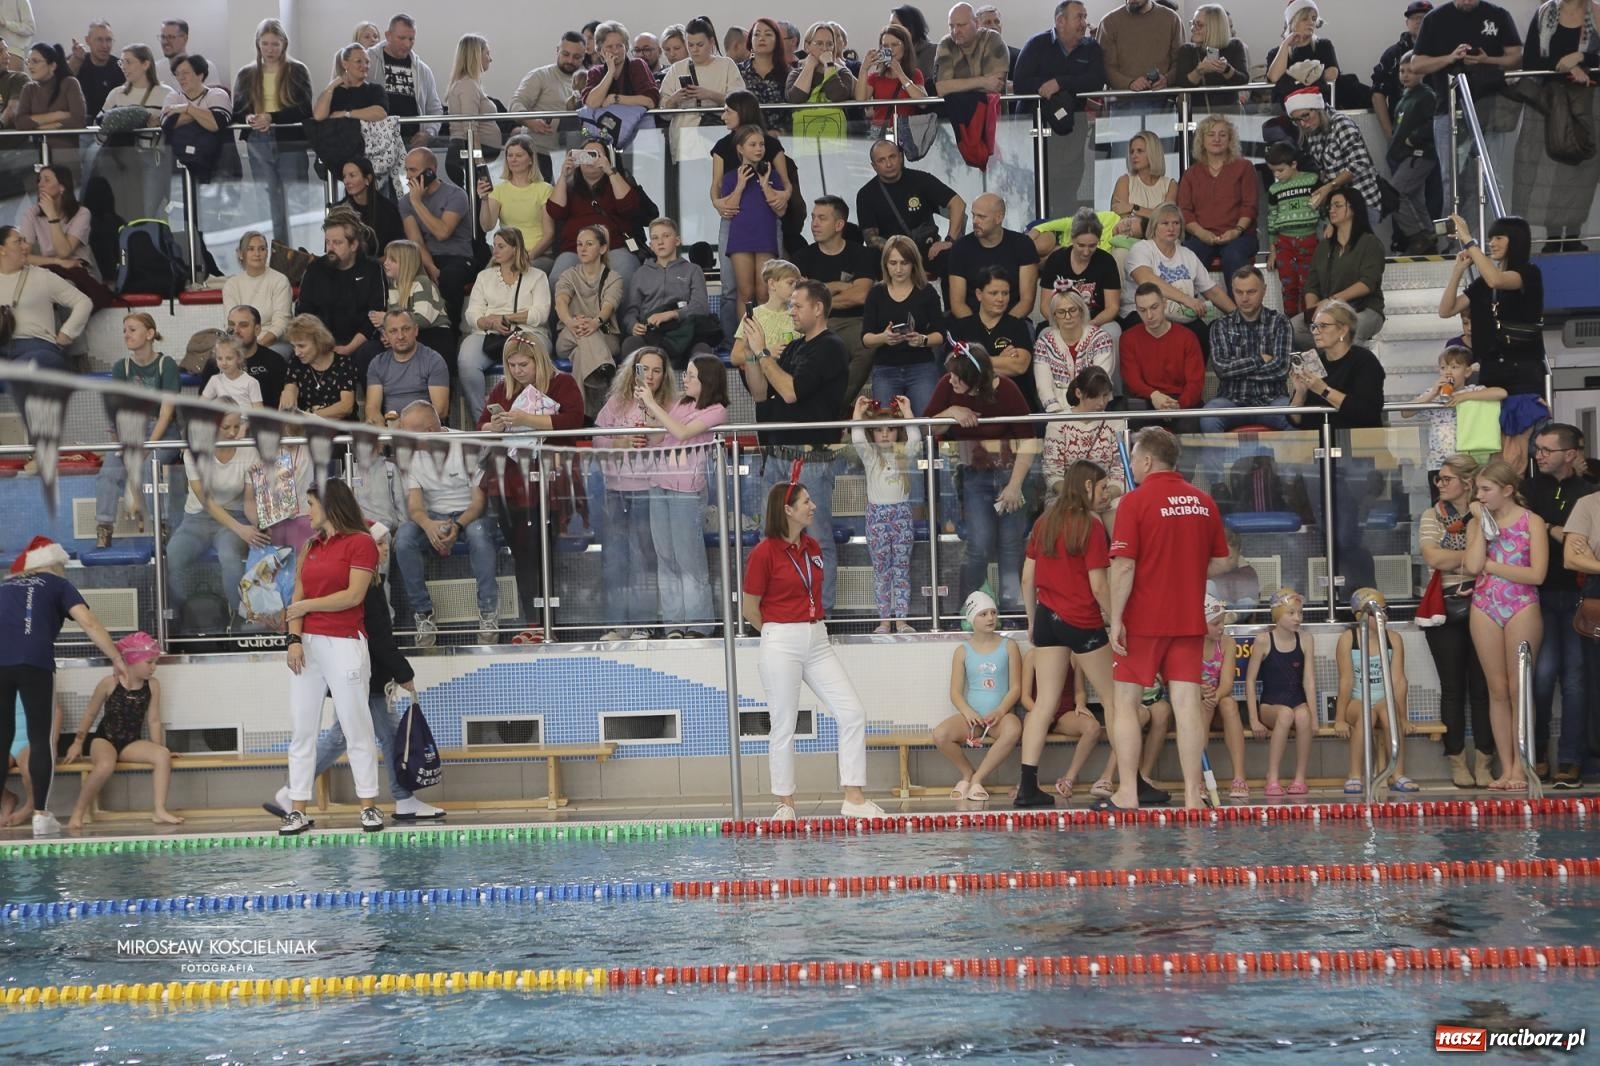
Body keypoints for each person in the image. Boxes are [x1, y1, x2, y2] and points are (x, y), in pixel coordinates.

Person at [266, 523, 444, 822]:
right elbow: (379, 638)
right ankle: (399, 800)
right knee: (373, 734)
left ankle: (401, 799)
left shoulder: (372, 584)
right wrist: (403, 673)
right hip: (364, 674)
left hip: (360, 672)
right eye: (381, 545)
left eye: (387, 545)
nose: (385, 550)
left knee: (354, 735)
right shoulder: (368, 589)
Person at [743, 476, 884, 821]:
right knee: (784, 724)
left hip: (817, 637)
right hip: (781, 639)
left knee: (851, 712)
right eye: (806, 502)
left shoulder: (813, 548)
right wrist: (777, 636)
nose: (813, 506)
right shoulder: (764, 553)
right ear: (787, 510)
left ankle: (853, 796)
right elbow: (750, 608)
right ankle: (784, 803)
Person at [1104, 426, 1229, 812]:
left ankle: (1127, 791)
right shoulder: (1203, 502)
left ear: (1145, 460)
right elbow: (1223, 561)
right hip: (1188, 618)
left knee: (1125, 703)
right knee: (1187, 703)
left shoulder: (1134, 502)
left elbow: (1123, 567)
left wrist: (1116, 619)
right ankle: (1194, 794)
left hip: (1142, 619)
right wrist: (1186, 570)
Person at [0, 535, 128, 837]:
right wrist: (116, 658)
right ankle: (41, 815)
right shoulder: (58, 585)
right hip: (35, 663)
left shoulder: (4, 587)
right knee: (40, 737)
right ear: (55, 564)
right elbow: (90, 623)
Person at [280, 481, 384, 836]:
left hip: (344, 642)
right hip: (307, 646)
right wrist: (293, 639)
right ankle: (297, 809)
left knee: (356, 725)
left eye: (311, 504)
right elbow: (297, 594)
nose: (307, 511)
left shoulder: (362, 543)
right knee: (302, 728)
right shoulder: (309, 546)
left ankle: (368, 806)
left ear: (329, 505)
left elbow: (353, 596)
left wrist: (306, 607)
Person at [740, 279, 850, 610]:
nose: (791, 312)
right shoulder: (797, 346)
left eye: (797, 306)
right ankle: (777, 608)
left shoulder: (830, 347)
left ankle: (820, 612)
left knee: (815, 539)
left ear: (818, 308)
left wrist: (762, 352)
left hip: (810, 460)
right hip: (776, 456)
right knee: (770, 539)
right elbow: (761, 393)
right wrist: (751, 353)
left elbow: (791, 391)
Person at [1013, 459, 1118, 807]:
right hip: (1082, 620)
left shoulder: (1045, 521)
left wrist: (1032, 620)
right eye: (1102, 488)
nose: (1106, 494)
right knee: (1114, 700)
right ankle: (1130, 780)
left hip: (1047, 619)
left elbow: (1027, 577)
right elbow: (1099, 585)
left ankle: (1027, 787)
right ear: (1087, 487)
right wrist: (1117, 619)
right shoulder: (1090, 524)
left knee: (1043, 705)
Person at [476, 334, 584, 636]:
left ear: (539, 361)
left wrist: (527, 419)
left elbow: (574, 421)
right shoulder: (502, 388)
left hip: (549, 480)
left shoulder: (563, 384)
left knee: (543, 553)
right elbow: (481, 425)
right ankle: (533, 623)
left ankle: (550, 623)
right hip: (510, 483)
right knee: (522, 555)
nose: (517, 370)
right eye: (511, 365)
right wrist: (493, 426)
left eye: (523, 364)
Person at [926, 343, 1036, 615]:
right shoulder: (948, 386)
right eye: (950, 375)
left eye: (957, 377)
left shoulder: (1007, 390)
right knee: (979, 542)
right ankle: (971, 608)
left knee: (1011, 543)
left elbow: (1029, 440)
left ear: (975, 381)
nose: (951, 380)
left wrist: (1015, 484)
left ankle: (1013, 607)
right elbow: (926, 426)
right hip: (973, 475)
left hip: (1010, 471)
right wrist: (950, 412)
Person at [1439, 213, 1548, 472]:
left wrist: (1468, 239)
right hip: (1491, 370)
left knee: (1515, 456)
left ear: (1516, 240)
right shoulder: (1482, 284)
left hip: (1522, 372)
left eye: (1499, 237)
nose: (1492, 244)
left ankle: (1516, 507)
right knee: (1494, 452)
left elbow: (1498, 279)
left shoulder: (1529, 273)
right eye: (1490, 239)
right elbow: (1447, 309)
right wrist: (1457, 270)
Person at [1466, 458, 1548, 792]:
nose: (1479, 495)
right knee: (1496, 690)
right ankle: (1506, 767)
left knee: (1518, 689)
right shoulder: (1479, 522)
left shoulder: (1533, 522)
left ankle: (1521, 766)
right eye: (1477, 489)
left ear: (1508, 490)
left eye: (1485, 489)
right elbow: (1473, 566)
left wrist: (1493, 566)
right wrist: (1481, 524)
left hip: (1521, 604)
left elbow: (1536, 575)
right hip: (1485, 605)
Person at [638, 353, 730, 639]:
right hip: (659, 483)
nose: (685, 380)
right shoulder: (680, 402)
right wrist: (647, 411)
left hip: (687, 491)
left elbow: (681, 432)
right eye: (686, 374)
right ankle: (674, 624)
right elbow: (660, 437)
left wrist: (654, 405)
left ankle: (699, 624)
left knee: (689, 559)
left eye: (691, 375)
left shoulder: (716, 410)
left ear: (707, 380)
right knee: (666, 558)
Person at [394, 402, 500, 647]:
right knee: (404, 539)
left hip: (470, 515)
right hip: (432, 514)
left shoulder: (466, 446)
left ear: (430, 431)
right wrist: (428, 524)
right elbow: (416, 507)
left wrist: (458, 526)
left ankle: (488, 613)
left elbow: (478, 504)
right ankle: (423, 614)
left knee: (479, 534)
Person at [1419, 453, 1494, 787]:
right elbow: (1433, 557)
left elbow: (1498, 554)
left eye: (1446, 479)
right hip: (1445, 608)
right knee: (1452, 689)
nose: (1440, 484)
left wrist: (1465, 560)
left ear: (1468, 483)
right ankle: (1456, 758)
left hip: (1485, 605)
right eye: (1439, 478)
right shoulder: (1431, 515)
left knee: (1484, 689)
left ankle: (1484, 758)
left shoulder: (1485, 513)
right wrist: (1475, 559)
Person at [1411, 0, 1524, 218]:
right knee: (1451, 180)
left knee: (1490, 178)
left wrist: (1486, 60)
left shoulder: (1498, 14)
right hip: (1448, 109)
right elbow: (1417, 64)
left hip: (1490, 108)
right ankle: (1457, 243)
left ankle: (1492, 241)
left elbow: (1517, 56)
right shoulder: (1435, 19)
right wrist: (1450, 58)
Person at [1526, 423, 1594, 782]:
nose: (1539, 455)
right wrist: (1556, 530)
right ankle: (1537, 751)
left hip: (1579, 595)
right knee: (1541, 675)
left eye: (1546, 450)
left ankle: (1571, 758)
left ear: (1569, 455)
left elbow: (1582, 545)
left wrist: (1554, 530)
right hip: (1539, 593)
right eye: (1537, 448)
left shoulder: (1589, 491)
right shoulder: (1529, 487)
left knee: (1575, 679)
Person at [593, 349, 674, 640]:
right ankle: (617, 625)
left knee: (644, 559)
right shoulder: (617, 403)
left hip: (648, 490)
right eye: (645, 369)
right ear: (633, 371)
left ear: (664, 375)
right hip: (615, 490)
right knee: (614, 559)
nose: (650, 376)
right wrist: (622, 441)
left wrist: (652, 436)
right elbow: (597, 440)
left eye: (656, 370)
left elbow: (676, 439)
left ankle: (644, 624)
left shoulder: (669, 403)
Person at [1514, 0, 1600, 252]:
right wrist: (1567, 66)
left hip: (1589, 104)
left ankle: (1573, 237)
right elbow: (1530, 62)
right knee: (1547, 172)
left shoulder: (1596, 13)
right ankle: (1552, 238)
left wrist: (1583, 57)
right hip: (1549, 105)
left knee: (1581, 171)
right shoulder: (1544, 13)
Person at [166, 405, 261, 627]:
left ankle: (241, 619)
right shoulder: (194, 452)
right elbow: (206, 501)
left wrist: (262, 528)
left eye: (237, 426)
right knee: (171, 558)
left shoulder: (249, 450)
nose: (232, 433)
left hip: (235, 517)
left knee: (230, 557)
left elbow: (248, 501)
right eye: (226, 427)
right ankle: (176, 619)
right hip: (196, 520)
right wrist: (241, 530)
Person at [95, 313, 180, 546]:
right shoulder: (121, 367)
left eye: (132, 329)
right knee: (109, 471)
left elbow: (166, 413)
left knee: (147, 468)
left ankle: (161, 526)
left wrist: (147, 445)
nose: (126, 335)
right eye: (124, 330)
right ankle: (104, 528)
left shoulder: (166, 364)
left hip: (162, 431)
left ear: (150, 333)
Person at [1013, 1, 1105, 214]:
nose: (1084, 23)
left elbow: (1095, 81)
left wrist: (1060, 83)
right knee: (1034, 186)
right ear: (1060, 21)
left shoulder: (1091, 48)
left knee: (1068, 187)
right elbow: (1020, 82)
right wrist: (1046, 87)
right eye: (1079, 17)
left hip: (1071, 129)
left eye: (1085, 16)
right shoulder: (1037, 44)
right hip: (1035, 130)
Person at [932, 589, 1023, 801]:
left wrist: (1000, 711)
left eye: (993, 612)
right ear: (972, 619)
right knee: (940, 735)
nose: (990, 618)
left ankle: (977, 780)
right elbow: (955, 692)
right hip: (971, 718)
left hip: (999, 717)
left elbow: (1016, 688)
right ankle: (967, 773)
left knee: (1014, 729)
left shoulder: (1009, 646)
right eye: (983, 614)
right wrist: (967, 712)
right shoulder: (962, 651)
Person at [793, 196, 881, 409]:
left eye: (822, 218)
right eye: (813, 218)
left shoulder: (862, 254)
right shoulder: (802, 257)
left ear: (839, 224)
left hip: (854, 322)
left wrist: (819, 293)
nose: (814, 224)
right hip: (813, 324)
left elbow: (860, 295)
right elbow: (798, 298)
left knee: (867, 345)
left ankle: (834, 405)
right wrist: (841, 287)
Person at [233, 19, 313, 247]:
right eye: (265, 44)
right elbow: (237, 111)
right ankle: (276, 252)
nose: (269, 49)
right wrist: (249, 118)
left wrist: (272, 117)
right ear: (258, 44)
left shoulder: (297, 70)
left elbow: (305, 109)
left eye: (274, 44)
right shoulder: (247, 74)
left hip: (289, 139)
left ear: (284, 44)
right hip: (258, 139)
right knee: (268, 203)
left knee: (294, 199)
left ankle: (299, 253)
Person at [459, 227, 552, 419]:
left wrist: (508, 318)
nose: (495, 251)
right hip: (488, 332)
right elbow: (472, 314)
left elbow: (541, 314)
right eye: (495, 246)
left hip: (528, 331)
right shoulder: (484, 277)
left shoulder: (537, 275)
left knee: (529, 358)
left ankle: (532, 415)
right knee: (466, 361)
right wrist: (489, 322)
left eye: (501, 246)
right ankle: (482, 419)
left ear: (515, 249)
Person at [0, 225, 89, 425]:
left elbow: (83, 301)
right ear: (1, 249)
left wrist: (66, 333)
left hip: (39, 349)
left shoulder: (42, 276)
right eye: (18, 242)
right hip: (4, 350)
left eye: (25, 240)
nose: (26, 246)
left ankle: (38, 444)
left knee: (24, 369)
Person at [1121, 202, 1234, 355]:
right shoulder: (1142, 248)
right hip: (1142, 313)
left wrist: (1239, 315)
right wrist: (1186, 299)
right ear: (1154, 226)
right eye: (1165, 223)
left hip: (1180, 315)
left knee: (1201, 333)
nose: (1171, 228)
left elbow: (1212, 291)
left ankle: (1194, 379)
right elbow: (1146, 279)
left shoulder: (1188, 254)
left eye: (1176, 223)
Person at [1333, 587, 1415, 794]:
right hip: (1357, 701)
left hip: (1384, 700)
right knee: (1366, 715)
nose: (1382, 615)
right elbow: (1345, 681)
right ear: (1359, 615)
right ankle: (1354, 774)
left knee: (1390, 715)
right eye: (1375, 612)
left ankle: (1397, 774)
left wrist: (1403, 717)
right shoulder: (1348, 640)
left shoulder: (1393, 639)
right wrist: (1340, 718)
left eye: (1384, 610)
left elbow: (1398, 681)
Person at [851, 394, 921, 632]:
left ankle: (901, 620)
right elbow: (858, 439)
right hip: (876, 517)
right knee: (881, 570)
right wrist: (857, 414)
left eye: (890, 429)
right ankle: (884, 620)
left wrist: (908, 412)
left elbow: (916, 441)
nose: (884, 434)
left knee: (901, 568)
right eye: (879, 430)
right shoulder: (871, 457)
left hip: (901, 514)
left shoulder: (903, 456)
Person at [1243, 588, 1317, 799]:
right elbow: (1250, 682)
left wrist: (1314, 718)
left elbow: (1309, 681)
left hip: (1297, 701)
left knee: (1302, 715)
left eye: (1300, 613)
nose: (1297, 618)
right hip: (1270, 706)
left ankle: (1300, 778)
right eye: (1291, 613)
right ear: (1277, 614)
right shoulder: (1264, 640)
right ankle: (1272, 777)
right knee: (1285, 714)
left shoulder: (1305, 639)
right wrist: (1254, 719)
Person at [1291, 187, 1386, 350]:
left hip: (1365, 308)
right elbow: (1311, 285)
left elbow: (1367, 283)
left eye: (1337, 205)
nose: (1332, 210)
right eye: (1330, 207)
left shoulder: (1370, 243)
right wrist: (1313, 311)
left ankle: (1345, 370)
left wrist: (1330, 301)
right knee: (1293, 328)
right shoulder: (1324, 247)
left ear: (1353, 209)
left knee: (1349, 332)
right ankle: (1325, 365)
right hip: (1330, 312)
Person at [1201, 267, 1293, 433]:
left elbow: (1281, 368)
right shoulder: (1220, 325)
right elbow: (1222, 369)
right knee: (1209, 417)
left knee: (1296, 416)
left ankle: (1291, 460)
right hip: (1231, 401)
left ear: (1264, 290)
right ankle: (1218, 461)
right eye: (1239, 292)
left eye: (1251, 292)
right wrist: (1258, 360)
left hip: (1272, 400)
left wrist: (1237, 370)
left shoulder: (1280, 322)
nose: (1244, 298)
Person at [861, 235, 945, 415]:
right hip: (885, 368)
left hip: (921, 367)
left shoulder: (926, 291)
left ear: (914, 263)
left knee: (926, 421)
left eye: (904, 263)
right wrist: (883, 338)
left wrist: (922, 340)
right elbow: (866, 338)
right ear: (885, 264)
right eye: (893, 263)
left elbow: (940, 335)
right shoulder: (876, 293)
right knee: (886, 425)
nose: (898, 269)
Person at [855, 138, 964, 276]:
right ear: (874, 166)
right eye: (881, 160)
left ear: (900, 157)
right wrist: (903, 254)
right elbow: (871, 239)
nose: (889, 164)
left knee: (953, 260)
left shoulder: (921, 180)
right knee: (868, 260)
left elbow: (958, 203)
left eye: (892, 157)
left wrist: (949, 240)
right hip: (891, 255)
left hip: (927, 249)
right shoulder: (866, 194)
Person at [545, 138, 644, 289]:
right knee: (557, 280)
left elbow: (630, 206)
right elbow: (555, 211)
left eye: (596, 154)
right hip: (575, 249)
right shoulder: (570, 186)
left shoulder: (617, 180)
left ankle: (626, 313)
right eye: (586, 155)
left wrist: (610, 171)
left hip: (614, 246)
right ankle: (565, 314)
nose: (591, 160)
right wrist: (564, 176)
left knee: (624, 275)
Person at [1177, 115, 1257, 295]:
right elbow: (1185, 211)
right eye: (1211, 134)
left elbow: (1250, 206)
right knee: (1188, 255)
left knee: (1233, 255)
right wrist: (1202, 233)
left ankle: (1239, 315)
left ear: (1230, 140)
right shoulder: (1191, 174)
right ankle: (1187, 311)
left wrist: (1236, 231)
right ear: (1202, 140)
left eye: (1222, 135)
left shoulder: (1244, 167)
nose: (1217, 139)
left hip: (1239, 235)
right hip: (1202, 235)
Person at [718, 125, 789, 328]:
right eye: (753, 144)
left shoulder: (773, 175)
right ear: (740, 149)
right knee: (745, 292)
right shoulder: (731, 177)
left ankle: (766, 335)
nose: (759, 149)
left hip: (765, 235)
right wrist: (741, 184)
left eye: (761, 144)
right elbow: (728, 209)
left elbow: (781, 211)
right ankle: (746, 338)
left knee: (764, 291)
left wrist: (765, 184)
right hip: (741, 237)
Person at [1287, 86, 1383, 231]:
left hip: (1362, 203)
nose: (1302, 124)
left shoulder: (1341, 123)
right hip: (1339, 204)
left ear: (1317, 108)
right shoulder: (1313, 132)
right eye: (1296, 120)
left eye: (1305, 115)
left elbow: (1359, 163)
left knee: (1354, 251)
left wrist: (1330, 186)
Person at [621, 218, 713, 365]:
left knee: (703, 352)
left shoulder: (693, 270)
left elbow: (701, 307)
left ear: (677, 240)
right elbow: (631, 310)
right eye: (655, 238)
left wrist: (672, 314)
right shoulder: (640, 273)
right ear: (650, 245)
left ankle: (696, 388)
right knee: (630, 345)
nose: (660, 241)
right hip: (651, 335)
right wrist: (633, 325)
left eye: (666, 236)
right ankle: (642, 388)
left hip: (684, 333)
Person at [1034, 287, 1115, 453]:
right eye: (1061, 312)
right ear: (1054, 316)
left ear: (1082, 311)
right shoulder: (1044, 342)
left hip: (1095, 409)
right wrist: (1060, 418)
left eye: (1072, 310)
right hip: (1056, 415)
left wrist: (1079, 416)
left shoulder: (1101, 339)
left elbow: (1099, 382)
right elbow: (1044, 387)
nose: (1068, 316)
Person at [399, 148, 473, 328]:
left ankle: (450, 331)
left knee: (448, 279)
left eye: (413, 170)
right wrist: (430, 266)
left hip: (458, 256)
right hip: (426, 256)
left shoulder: (456, 195)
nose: (408, 176)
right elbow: (416, 240)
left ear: (431, 170)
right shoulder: (405, 202)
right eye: (407, 170)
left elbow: (442, 232)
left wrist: (417, 202)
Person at [946, 267, 1038, 412]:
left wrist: (974, 362)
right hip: (971, 407)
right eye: (993, 293)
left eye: (1005, 293)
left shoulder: (1018, 325)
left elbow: (1019, 366)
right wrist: (1001, 361)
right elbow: (957, 370)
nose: (1000, 299)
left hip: (1013, 403)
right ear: (979, 294)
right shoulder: (961, 327)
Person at [295, 213, 386, 360]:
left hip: (360, 342)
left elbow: (374, 316)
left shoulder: (372, 270)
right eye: (328, 242)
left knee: (368, 353)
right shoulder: (315, 269)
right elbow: (304, 312)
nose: (330, 248)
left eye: (337, 243)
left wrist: (350, 348)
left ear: (354, 245)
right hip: (321, 341)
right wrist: (319, 343)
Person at [553, 223, 624, 407]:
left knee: (581, 353)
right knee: (585, 337)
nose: (582, 249)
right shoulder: (568, 275)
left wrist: (595, 322)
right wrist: (570, 321)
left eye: (589, 244)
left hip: (605, 336)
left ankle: (580, 412)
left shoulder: (613, 277)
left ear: (602, 248)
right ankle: (604, 370)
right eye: (579, 244)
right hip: (570, 334)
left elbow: (610, 304)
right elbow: (561, 300)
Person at [1404, 344, 1499, 480]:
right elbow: (1405, 413)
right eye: (1443, 368)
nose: (1448, 372)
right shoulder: (1432, 395)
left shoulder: (1473, 390)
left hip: (1466, 463)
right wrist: (1432, 394)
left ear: (1467, 372)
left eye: (1454, 367)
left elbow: (1500, 393)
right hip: (1438, 464)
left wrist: (1463, 397)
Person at [1558, 481, 1600, 785]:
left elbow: (1583, 556)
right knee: (1593, 682)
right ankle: (1590, 758)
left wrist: (1594, 560)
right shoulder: (1589, 505)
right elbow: (1572, 558)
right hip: (1596, 603)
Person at [660, 15, 745, 156]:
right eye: (690, 45)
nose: (694, 50)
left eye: (700, 45)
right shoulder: (677, 69)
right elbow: (663, 112)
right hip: (685, 140)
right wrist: (674, 100)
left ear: (711, 42)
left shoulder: (726, 65)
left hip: (720, 135)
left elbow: (741, 103)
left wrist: (710, 95)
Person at [947, 193, 1038, 320]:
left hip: (1013, 321)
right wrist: (979, 329)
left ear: (999, 217)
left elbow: (1027, 301)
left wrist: (1000, 328)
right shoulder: (960, 248)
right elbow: (957, 304)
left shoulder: (1023, 245)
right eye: (973, 215)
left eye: (981, 217)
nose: (974, 221)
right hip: (970, 322)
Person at [510, 32, 586, 181]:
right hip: (539, 151)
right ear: (557, 51)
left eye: (576, 57)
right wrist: (529, 121)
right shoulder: (540, 76)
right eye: (565, 54)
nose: (570, 60)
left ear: (584, 57)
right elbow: (515, 103)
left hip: (575, 154)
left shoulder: (589, 79)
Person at [1038, 209, 1123, 342]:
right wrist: (1063, 323)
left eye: (1092, 246)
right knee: (1045, 334)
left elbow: (1113, 307)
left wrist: (1092, 324)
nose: (1086, 252)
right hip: (1061, 320)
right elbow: (1045, 305)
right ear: (1072, 239)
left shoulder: (1106, 261)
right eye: (1081, 245)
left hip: (1097, 320)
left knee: (1113, 331)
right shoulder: (1056, 260)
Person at [1386, 50, 1441, 255]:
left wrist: (1416, 137)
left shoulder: (1426, 96)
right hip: (1405, 157)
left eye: (1411, 71)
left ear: (1422, 72)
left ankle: (1419, 236)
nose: (1406, 75)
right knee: (1416, 200)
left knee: (1393, 193)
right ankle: (1429, 236)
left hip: (1419, 155)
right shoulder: (1404, 98)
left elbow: (1435, 121)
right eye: (1402, 71)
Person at [1120, 282, 1204, 415]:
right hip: (1146, 399)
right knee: (1134, 420)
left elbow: (1195, 383)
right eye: (1142, 310)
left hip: (1180, 400)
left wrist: (1178, 406)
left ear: (1164, 304)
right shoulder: (1128, 338)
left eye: (1154, 307)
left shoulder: (1187, 337)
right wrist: (1153, 395)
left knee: (1188, 427)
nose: (1149, 316)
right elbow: (1132, 380)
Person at [314, 45, 390, 185]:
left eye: (367, 62)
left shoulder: (375, 90)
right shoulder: (334, 93)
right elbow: (318, 115)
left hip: (371, 156)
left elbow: (380, 112)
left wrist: (346, 114)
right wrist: (333, 85)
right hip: (339, 158)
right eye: (359, 61)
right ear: (345, 63)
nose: (364, 65)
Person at [364, 13, 442, 148]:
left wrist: (429, 133)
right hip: (375, 143)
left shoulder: (423, 70)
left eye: (411, 39)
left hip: (413, 144)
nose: (407, 44)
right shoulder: (367, 61)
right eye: (401, 38)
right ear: (388, 35)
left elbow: (435, 109)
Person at [1198, 594, 1248, 800]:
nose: (1221, 627)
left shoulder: (1227, 643)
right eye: (1215, 623)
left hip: (1217, 697)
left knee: (1229, 704)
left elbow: (1227, 682)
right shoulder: (1189, 643)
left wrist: (1214, 696)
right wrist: (1201, 692)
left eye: (1223, 622)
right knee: (1203, 707)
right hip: (1193, 700)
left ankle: (1239, 776)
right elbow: (1178, 680)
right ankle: (1197, 779)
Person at [1263, 142, 1320, 319]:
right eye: (1273, 171)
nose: (1276, 175)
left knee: (1308, 284)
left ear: (1293, 164)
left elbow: (1324, 208)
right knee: (1288, 285)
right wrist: (1272, 251)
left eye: (1280, 170)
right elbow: (1272, 220)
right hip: (1284, 242)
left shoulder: (1312, 180)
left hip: (1309, 239)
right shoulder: (1274, 189)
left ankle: (1308, 320)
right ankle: (1291, 322)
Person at [477, 134, 554, 262]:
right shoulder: (499, 190)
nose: (513, 160)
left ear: (530, 160)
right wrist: (484, 200)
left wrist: (530, 256)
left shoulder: (545, 189)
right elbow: (487, 226)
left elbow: (549, 234)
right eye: (510, 155)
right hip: (508, 254)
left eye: (519, 155)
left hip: (538, 255)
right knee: (486, 279)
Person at [364, 310, 449, 427]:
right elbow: (372, 407)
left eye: (406, 329)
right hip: (392, 431)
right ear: (385, 335)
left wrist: (406, 425)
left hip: (425, 432)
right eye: (393, 331)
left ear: (416, 330)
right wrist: (379, 427)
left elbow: (440, 410)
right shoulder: (377, 363)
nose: (400, 336)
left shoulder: (434, 360)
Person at [17, 163, 99, 281]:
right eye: (39, 180)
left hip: (77, 274)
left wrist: (52, 216)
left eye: (47, 180)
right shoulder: (32, 214)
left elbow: (63, 252)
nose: (40, 185)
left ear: (62, 187)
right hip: (49, 272)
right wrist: (57, 262)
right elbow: (23, 257)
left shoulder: (81, 213)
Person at [373, 238, 450, 361]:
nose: (385, 263)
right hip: (410, 334)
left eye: (392, 260)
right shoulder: (394, 286)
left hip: (433, 335)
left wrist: (386, 319)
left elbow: (423, 320)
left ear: (406, 263)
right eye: (386, 258)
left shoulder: (422, 283)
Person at [160, 54, 232, 184]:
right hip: (179, 163)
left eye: (185, 73)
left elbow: (216, 123)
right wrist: (203, 114)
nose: (181, 78)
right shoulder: (173, 97)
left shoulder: (217, 94)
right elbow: (167, 124)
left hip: (217, 164)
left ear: (200, 75)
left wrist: (186, 108)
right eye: (177, 74)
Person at [222, 231, 293, 353]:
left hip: (275, 344)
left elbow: (282, 323)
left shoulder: (280, 281)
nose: (257, 254)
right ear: (240, 254)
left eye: (262, 249)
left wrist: (257, 349)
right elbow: (232, 325)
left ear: (267, 253)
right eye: (251, 249)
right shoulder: (231, 285)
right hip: (240, 345)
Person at [443, 34, 501, 180]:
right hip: (469, 155)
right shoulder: (468, 85)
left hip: (473, 153)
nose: (490, 58)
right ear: (476, 55)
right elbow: (470, 127)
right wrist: (480, 163)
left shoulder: (470, 84)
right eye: (487, 53)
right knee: (477, 199)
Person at [855, 22, 928, 137]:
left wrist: (900, 74)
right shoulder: (875, 77)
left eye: (895, 44)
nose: (890, 50)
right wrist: (864, 68)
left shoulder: (914, 74)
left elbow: (923, 102)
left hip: (905, 133)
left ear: (905, 46)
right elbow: (860, 100)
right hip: (880, 132)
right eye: (885, 46)